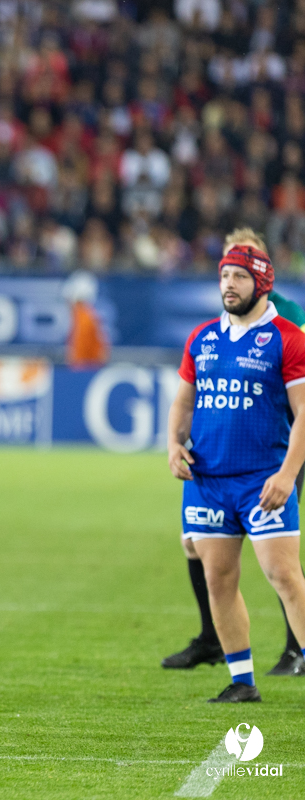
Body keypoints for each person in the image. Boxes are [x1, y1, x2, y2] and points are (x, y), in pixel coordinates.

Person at [163, 228, 305, 678]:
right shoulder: (202, 337)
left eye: (239, 276)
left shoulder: (288, 334)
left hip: (262, 476)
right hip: (207, 483)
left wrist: (287, 474)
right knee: (217, 579)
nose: (228, 284)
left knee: (284, 578)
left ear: (262, 282)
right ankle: (241, 680)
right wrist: (172, 444)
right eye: (224, 275)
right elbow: (184, 400)